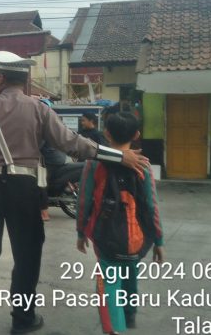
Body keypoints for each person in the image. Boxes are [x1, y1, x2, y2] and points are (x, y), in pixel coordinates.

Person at [0, 51, 149, 335]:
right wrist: (120, 157)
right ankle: (23, 319)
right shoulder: (40, 109)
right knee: (27, 255)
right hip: (25, 187)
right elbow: (75, 144)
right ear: (25, 79)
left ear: (1, 77)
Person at [76, 112, 165, 335]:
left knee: (108, 284)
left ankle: (114, 328)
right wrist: (159, 240)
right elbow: (151, 206)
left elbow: (84, 201)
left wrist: (80, 232)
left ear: (106, 133)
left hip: (105, 237)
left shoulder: (94, 164)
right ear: (137, 135)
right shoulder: (143, 165)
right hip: (136, 238)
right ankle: (129, 314)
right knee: (131, 272)